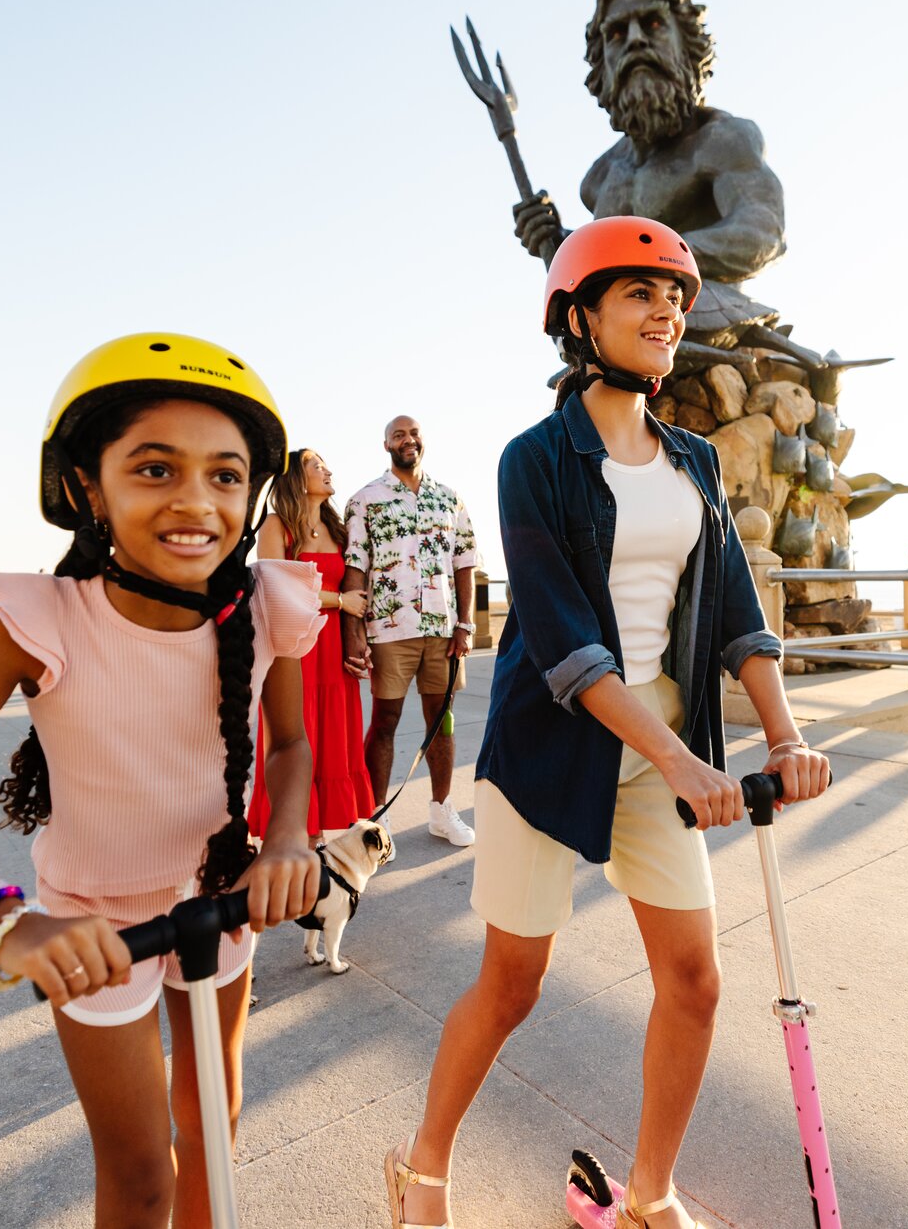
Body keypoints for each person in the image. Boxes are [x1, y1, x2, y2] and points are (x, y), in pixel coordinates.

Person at [384, 218, 831, 1229]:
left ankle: (649, 1194)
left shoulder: (692, 463)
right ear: (578, 318)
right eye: (639, 293)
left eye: (674, 295)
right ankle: (423, 1168)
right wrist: (680, 760)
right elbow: (564, 640)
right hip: (551, 754)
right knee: (510, 984)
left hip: (662, 755)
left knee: (694, 982)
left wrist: (785, 734)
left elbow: (732, 613)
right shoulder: (533, 460)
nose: (667, 309)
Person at [0, 334, 323, 1226]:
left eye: (225, 476)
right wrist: (10, 927)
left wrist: (289, 840)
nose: (196, 501)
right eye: (155, 469)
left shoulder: (268, 604)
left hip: (223, 900)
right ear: (85, 489)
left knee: (214, 1128)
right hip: (93, 926)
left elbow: (293, 748)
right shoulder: (37, 621)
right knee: (142, 1173)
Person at [339, 416, 482, 847]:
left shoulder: (449, 498)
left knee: (442, 721)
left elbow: (465, 564)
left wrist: (466, 625)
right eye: (399, 435)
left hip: (442, 629)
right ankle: (374, 822)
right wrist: (354, 634)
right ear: (386, 444)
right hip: (388, 629)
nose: (408, 440)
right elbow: (354, 569)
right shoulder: (365, 500)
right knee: (385, 721)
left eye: (414, 433)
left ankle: (441, 811)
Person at [248, 448, 374, 843]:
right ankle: (292, 834)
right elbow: (274, 586)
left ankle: (317, 835)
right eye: (316, 465)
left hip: (333, 649)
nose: (327, 470)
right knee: (297, 733)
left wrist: (360, 639)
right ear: (295, 478)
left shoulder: (339, 530)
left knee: (333, 739)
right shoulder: (276, 525)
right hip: (295, 649)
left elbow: (357, 586)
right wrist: (339, 601)